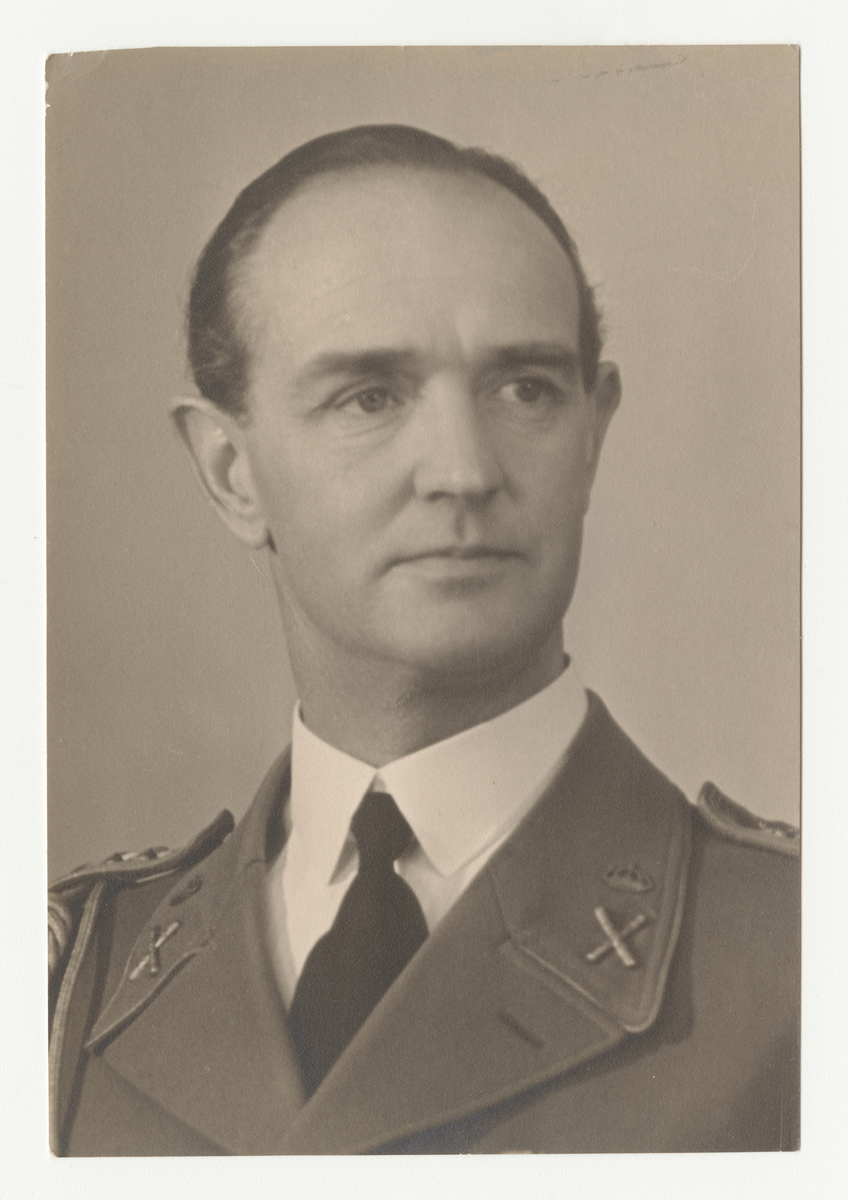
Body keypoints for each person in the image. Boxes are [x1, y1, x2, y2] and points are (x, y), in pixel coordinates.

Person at [48, 124, 799, 1155]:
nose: (463, 471)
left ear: (592, 433)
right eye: (369, 397)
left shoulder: (800, 952)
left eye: (524, 389)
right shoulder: (67, 981)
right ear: (230, 472)